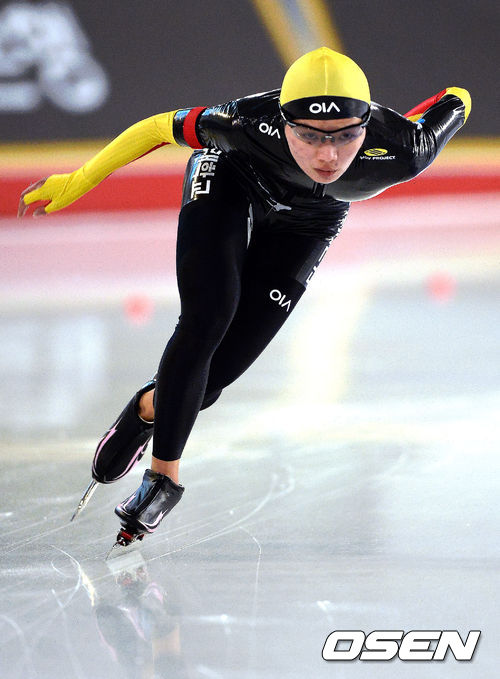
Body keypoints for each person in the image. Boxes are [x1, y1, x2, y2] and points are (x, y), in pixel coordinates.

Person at [18, 47, 471, 541]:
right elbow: (156, 128)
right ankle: (163, 479)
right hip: (232, 179)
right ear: (284, 122)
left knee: (215, 377)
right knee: (208, 316)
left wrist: (405, 119)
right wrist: (79, 180)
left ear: (366, 124)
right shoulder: (245, 123)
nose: (327, 155)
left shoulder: (406, 148)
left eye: (345, 135)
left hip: (311, 221)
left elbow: (458, 98)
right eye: (308, 135)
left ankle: (148, 407)